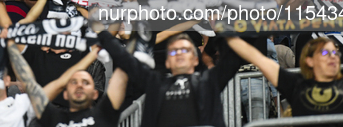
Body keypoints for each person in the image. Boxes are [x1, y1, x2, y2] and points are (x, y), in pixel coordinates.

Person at [96, 30, 242, 127]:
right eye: (173, 52)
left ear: (196, 59)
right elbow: (126, 60)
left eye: (185, 50)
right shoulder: (155, 83)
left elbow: (234, 57)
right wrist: (102, 33)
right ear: (167, 62)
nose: (179, 53)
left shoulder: (210, 80)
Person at [226, 35, 343, 120]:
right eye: (325, 52)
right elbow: (258, 58)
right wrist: (224, 31)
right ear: (309, 60)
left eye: (335, 53)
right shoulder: (296, 85)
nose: (333, 57)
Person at [7, 40, 128, 127]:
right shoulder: (52, 117)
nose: (79, 85)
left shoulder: (104, 115)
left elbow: (122, 75)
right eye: (73, 82)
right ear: (65, 93)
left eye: (86, 83)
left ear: (95, 93)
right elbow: (27, 78)